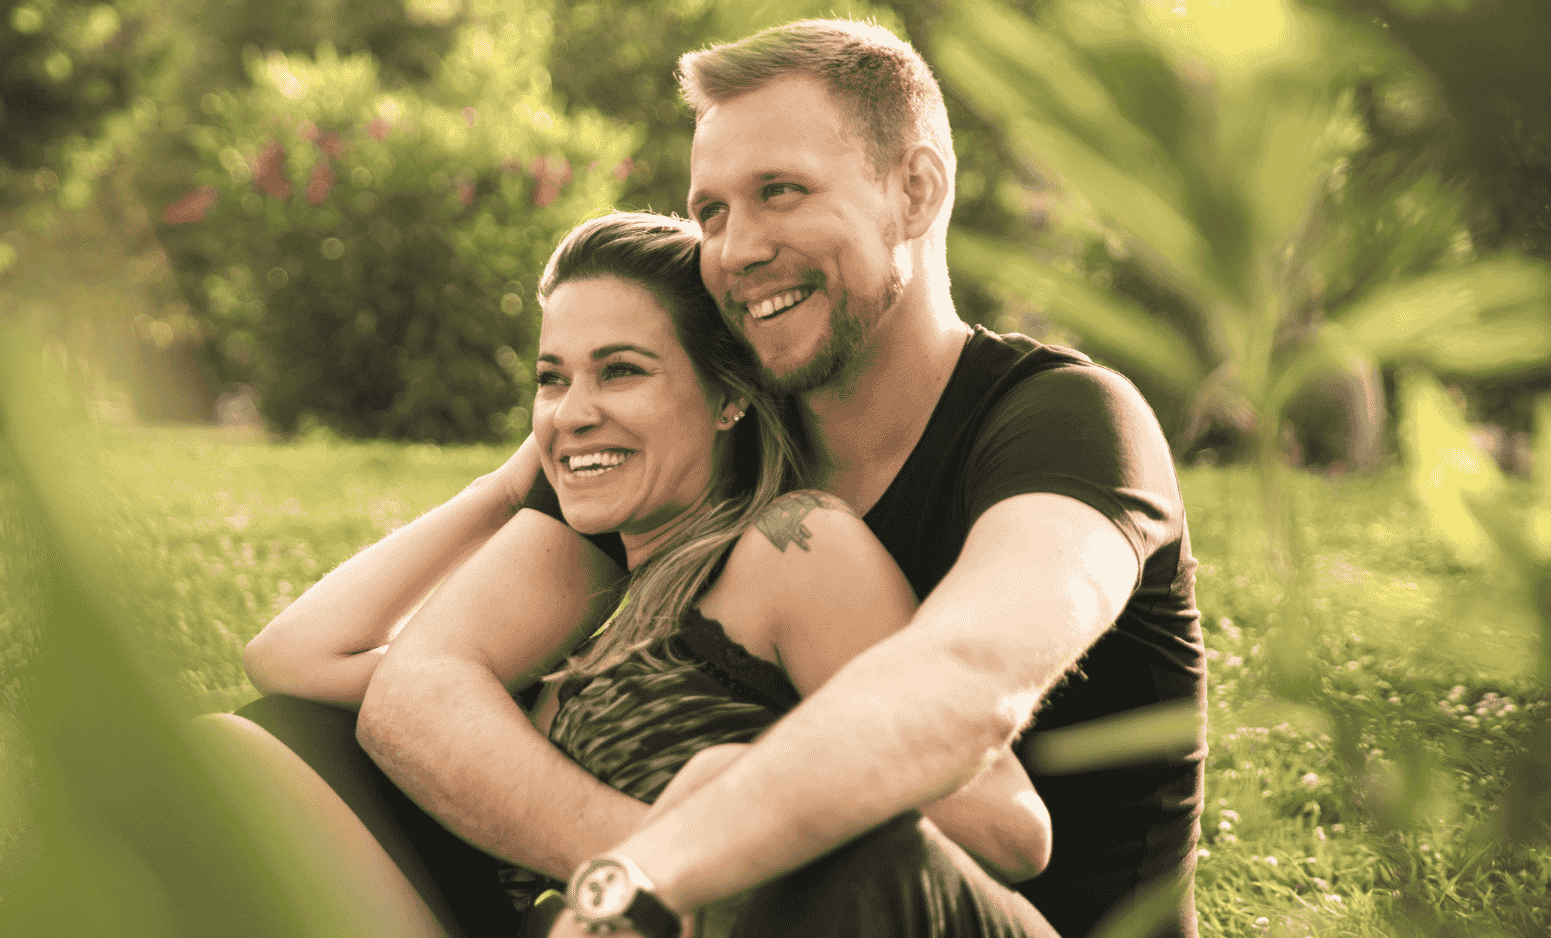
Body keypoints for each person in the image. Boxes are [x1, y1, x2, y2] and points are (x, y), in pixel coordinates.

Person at [350, 19, 1205, 938]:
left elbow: (967, 680)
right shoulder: (725, 438)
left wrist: (664, 870)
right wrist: (645, 863)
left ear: (913, 191)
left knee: (832, 835)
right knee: (286, 748)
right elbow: (420, 688)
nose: (735, 249)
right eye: (711, 211)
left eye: (780, 193)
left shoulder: (1067, 423)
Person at [243, 212, 1057, 936]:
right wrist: (506, 487)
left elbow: (1004, 825)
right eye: (552, 378)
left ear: (727, 394)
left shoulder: (792, 547)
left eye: (621, 370)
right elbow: (297, 658)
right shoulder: (597, 614)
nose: (572, 408)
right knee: (237, 752)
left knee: (713, 774)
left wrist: (698, 844)